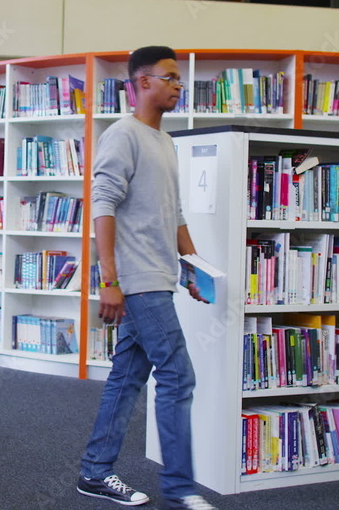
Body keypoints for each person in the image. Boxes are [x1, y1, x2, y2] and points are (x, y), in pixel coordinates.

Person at [77, 46, 215, 510]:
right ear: (142, 82)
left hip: (160, 275)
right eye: (170, 77)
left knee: (127, 377)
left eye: (179, 79)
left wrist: (194, 268)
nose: (179, 85)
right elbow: (102, 205)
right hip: (138, 280)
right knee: (178, 376)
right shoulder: (123, 135)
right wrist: (109, 280)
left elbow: (175, 214)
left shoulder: (165, 142)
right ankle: (180, 490)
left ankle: (95, 471)